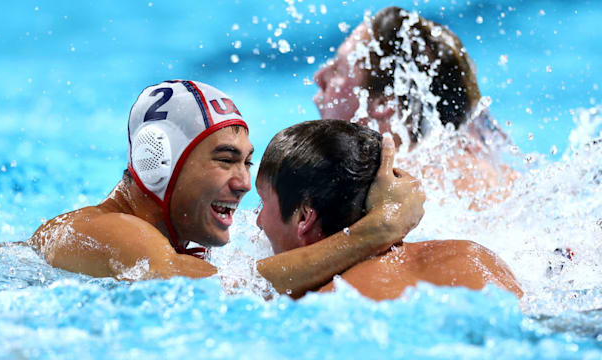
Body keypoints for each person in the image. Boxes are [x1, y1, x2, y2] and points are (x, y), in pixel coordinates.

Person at [28, 80, 425, 298]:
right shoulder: (108, 229)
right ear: (160, 162)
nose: (244, 183)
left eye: (247, 161)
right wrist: (379, 229)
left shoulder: (175, 244)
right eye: (225, 159)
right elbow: (224, 291)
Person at [256, 119, 523, 300]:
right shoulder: (474, 256)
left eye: (262, 202)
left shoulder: (328, 300)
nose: (257, 221)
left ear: (304, 216)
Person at [313, 6, 519, 208]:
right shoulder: (492, 172)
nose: (319, 77)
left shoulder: (382, 190)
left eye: (338, 71)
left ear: (385, 103)